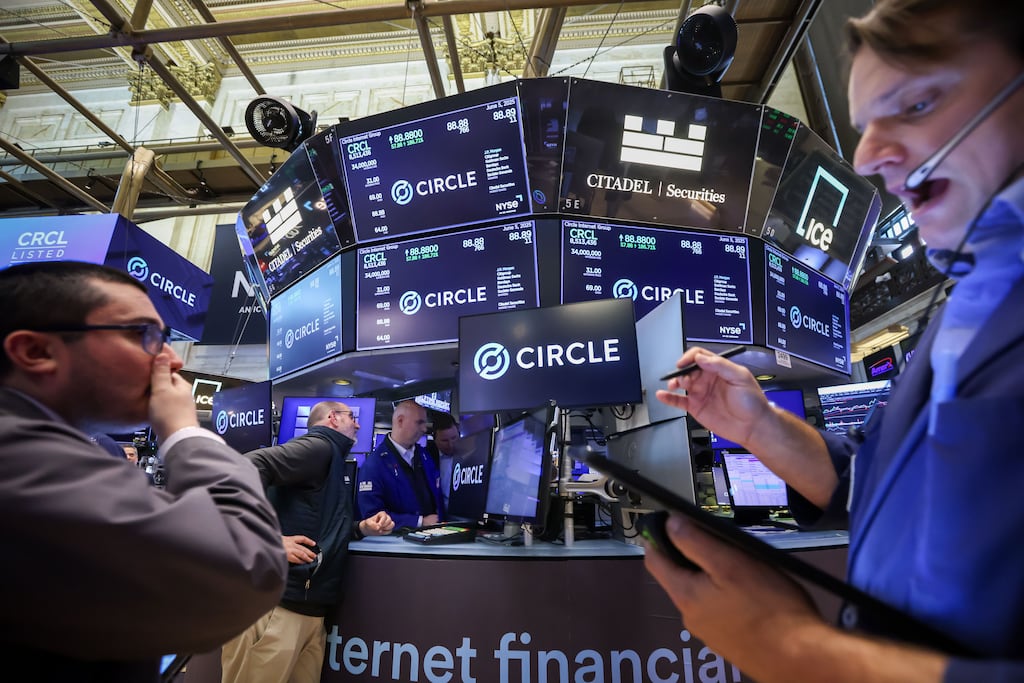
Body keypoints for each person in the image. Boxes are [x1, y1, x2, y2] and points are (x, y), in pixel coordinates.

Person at [648, 1, 1024, 681]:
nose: (868, 156)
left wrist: (789, 648)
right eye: (866, 124)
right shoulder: (967, 293)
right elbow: (870, 481)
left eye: (916, 103)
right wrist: (757, 423)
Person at [0, 261, 287, 680]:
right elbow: (245, 568)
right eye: (143, 335)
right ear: (36, 351)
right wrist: (185, 433)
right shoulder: (19, 459)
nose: (170, 360)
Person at [221, 400, 393, 683]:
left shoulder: (333, 459)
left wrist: (361, 528)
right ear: (332, 418)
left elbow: (321, 526)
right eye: (352, 417)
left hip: (307, 611)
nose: (359, 424)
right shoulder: (318, 447)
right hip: (277, 608)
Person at [357, 400, 444, 529]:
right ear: (400, 421)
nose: (424, 428)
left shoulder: (425, 456)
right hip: (396, 542)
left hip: (434, 535)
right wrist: (418, 521)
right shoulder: (374, 465)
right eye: (419, 422)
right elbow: (372, 516)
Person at [427, 413, 461, 511]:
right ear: (434, 438)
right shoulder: (426, 459)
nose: (451, 445)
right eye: (444, 440)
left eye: (454, 438)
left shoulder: (472, 454)